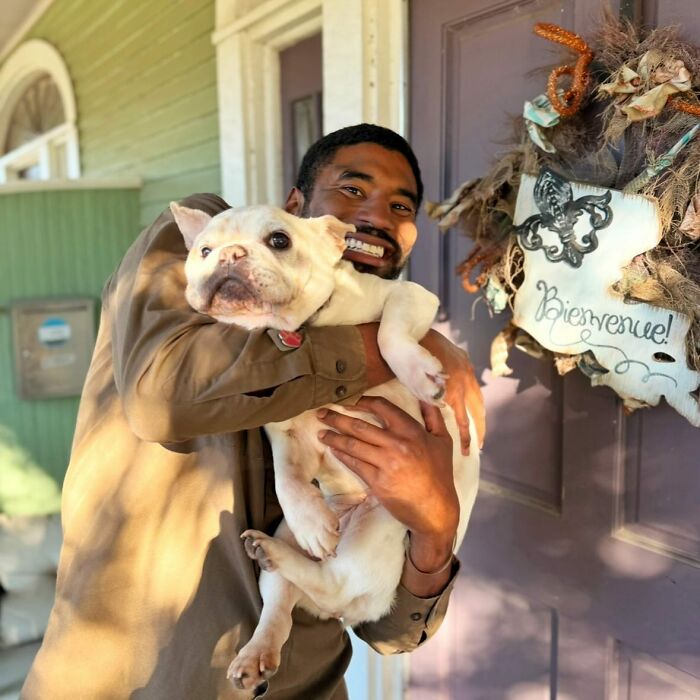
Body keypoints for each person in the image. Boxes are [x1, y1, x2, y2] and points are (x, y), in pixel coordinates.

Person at [23, 124, 485, 699]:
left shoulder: (414, 375)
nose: (377, 215)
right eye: (351, 189)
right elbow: (161, 398)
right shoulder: (201, 231)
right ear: (297, 209)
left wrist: (434, 529)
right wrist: (401, 349)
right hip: (132, 682)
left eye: (401, 205)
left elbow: (387, 631)